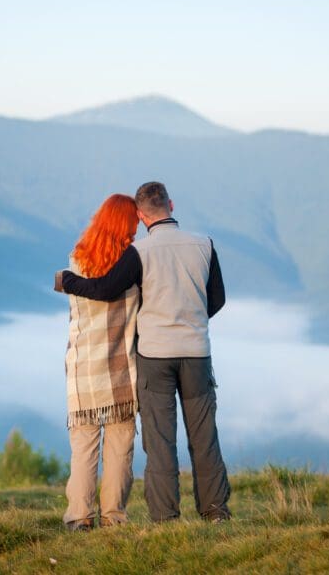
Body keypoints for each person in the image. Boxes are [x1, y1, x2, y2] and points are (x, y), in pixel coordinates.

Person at [55, 182, 230, 523]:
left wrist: (67, 281)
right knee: (204, 435)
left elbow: (104, 289)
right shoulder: (204, 245)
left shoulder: (139, 253)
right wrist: (191, 319)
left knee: (160, 440)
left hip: (146, 359)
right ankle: (214, 511)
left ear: (141, 213)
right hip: (193, 352)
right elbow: (218, 300)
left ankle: (163, 515)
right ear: (171, 204)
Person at [58, 194, 141, 532]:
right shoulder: (133, 263)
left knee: (83, 446)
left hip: (81, 368)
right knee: (120, 445)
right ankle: (113, 516)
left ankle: (79, 516)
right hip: (121, 369)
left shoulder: (75, 261)